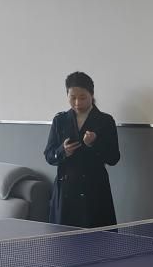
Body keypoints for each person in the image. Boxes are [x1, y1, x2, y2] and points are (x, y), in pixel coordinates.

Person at [43, 72, 120, 227]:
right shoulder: (60, 120)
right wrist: (63, 151)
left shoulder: (105, 121)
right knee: (63, 238)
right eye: (73, 97)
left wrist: (94, 143)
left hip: (95, 191)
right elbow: (49, 155)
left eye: (83, 97)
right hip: (66, 191)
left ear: (92, 94)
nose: (77, 102)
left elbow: (114, 158)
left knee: (97, 238)